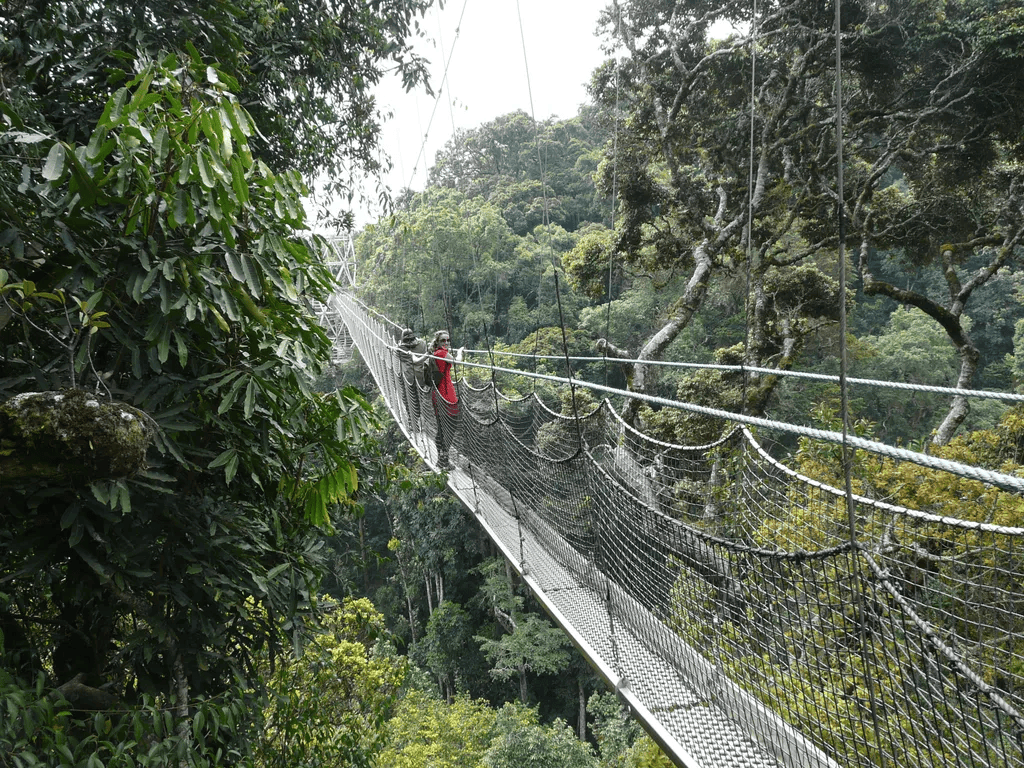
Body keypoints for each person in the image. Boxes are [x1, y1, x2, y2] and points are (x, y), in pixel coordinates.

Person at [427, 329, 463, 469]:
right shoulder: (442, 353)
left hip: (437, 395)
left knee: (442, 429)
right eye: (443, 340)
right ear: (438, 342)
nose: (446, 343)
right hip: (446, 395)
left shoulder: (434, 353)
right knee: (450, 428)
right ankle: (444, 461)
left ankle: (442, 460)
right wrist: (460, 352)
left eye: (448, 340)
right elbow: (458, 362)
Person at [396, 328, 427, 423]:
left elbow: (398, 354)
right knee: (419, 399)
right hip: (421, 377)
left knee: (409, 399)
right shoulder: (422, 344)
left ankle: (412, 421)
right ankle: (417, 419)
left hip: (409, 378)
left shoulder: (401, 349)